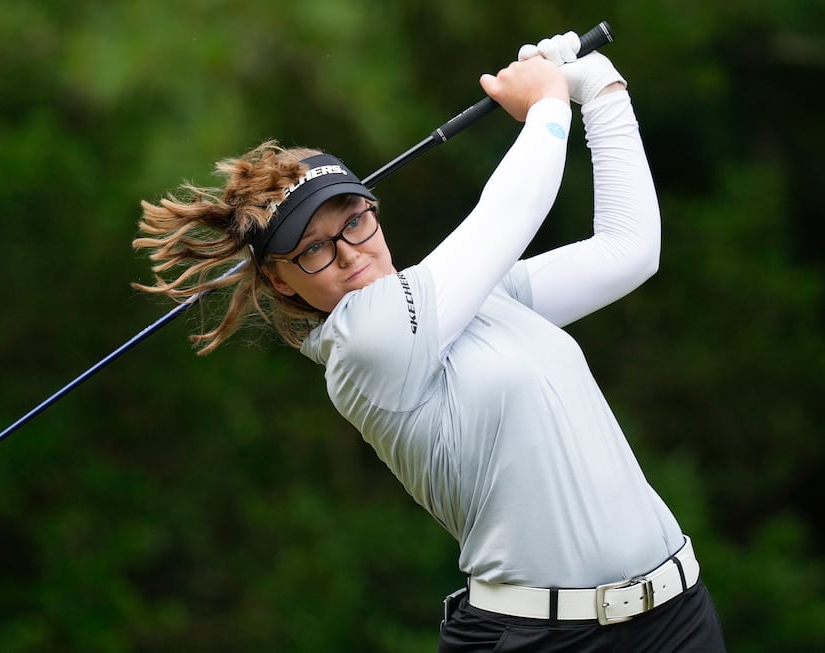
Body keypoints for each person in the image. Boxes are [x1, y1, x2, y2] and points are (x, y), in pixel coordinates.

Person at [133, 32, 726, 653]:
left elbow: (629, 251)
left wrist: (599, 88)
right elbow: (510, 211)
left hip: (677, 620)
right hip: (548, 641)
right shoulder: (364, 346)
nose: (347, 253)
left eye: (354, 219)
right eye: (312, 247)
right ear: (280, 282)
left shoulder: (472, 300)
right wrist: (549, 104)